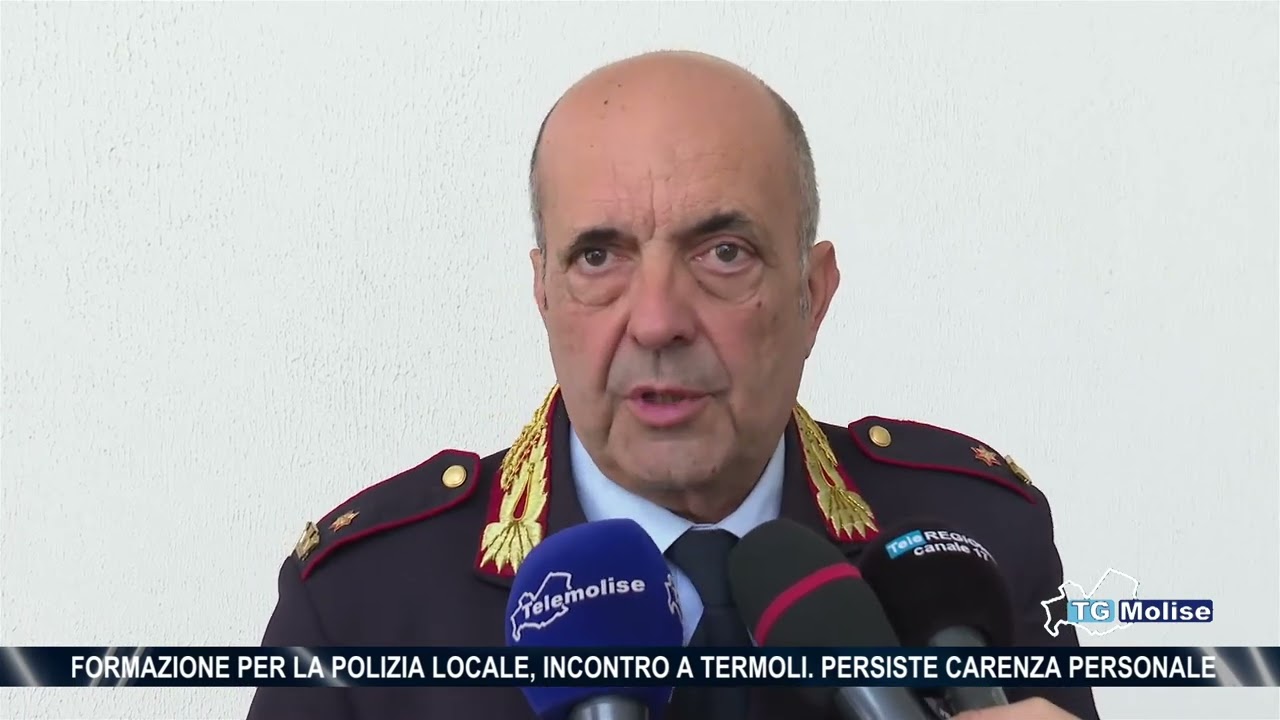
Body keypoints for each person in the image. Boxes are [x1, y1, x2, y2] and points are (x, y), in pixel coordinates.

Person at [246, 50, 1100, 720]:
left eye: (724, 253)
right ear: (544, 295)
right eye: (598, 257)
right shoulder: (360, 605)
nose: (656, 322)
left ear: (814, 293)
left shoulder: (977, 549)